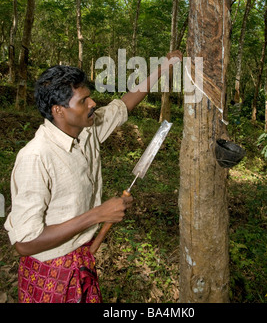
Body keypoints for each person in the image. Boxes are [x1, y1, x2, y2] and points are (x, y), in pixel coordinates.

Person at [4, 51, 182, 303]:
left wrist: (162, 69)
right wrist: (97, 214)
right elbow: (25, 243)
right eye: (83, 101)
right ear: (59, 111)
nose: (92, 104)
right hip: (50, 277)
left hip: (82, 260)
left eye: (89, 98)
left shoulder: (86, 131)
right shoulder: (35, 157)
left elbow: (123, 106)